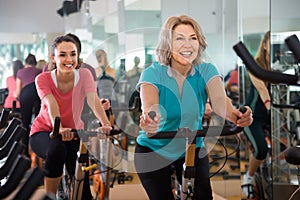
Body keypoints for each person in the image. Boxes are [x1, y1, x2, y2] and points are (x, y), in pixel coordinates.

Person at [134, 15, 253, 200]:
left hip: (190, 146)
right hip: (154, 149)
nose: (187, 44)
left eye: (193, 38)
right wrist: (151, 119)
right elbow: (150, 105)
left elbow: (221, 102)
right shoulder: (153, 73)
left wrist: (236, 116)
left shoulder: (206, 71)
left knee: (203, 196)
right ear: (168, 43)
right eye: (179, 38)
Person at [29, 35, 112, 198]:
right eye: (63, 55)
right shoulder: (43, 79)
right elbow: (51, 103)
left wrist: (106, 123)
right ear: (53, 58)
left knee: (82, 182)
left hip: (74, 132)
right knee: (57, 149)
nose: (69, 59)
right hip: (45, 132)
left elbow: (93, 98)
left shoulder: (85, 75)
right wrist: (58, 127)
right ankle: (51, 196)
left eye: (73, 54)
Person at [241, 31, 271, 199]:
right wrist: (268, 105)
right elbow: (261, 88)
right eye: (269, 43)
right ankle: (249, 176)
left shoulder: (276, 66)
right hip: (252, 117)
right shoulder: (255, 64)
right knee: (261, 149)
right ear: (265, 45)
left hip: (269, 116)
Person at [14, 53, 42, 156]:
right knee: (39, 123)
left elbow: (17, 92)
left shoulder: (20, 72)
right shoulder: (39, 71)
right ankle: (39, 151)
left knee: (25, 124)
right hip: (38, 93)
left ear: (26, 63)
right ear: (35, 63)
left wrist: (15, 95)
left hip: (25, 93)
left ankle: (25, 153)